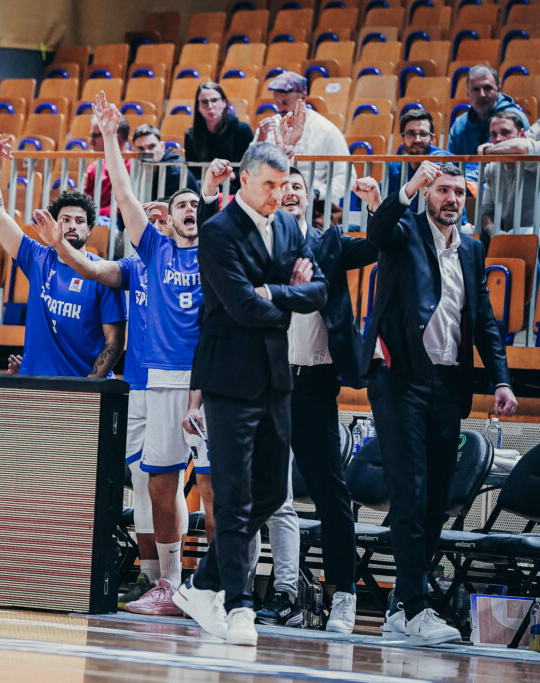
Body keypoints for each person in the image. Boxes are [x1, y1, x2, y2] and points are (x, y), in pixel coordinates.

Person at [174, 142, 328, 646]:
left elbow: (320, 291)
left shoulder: (288, 227)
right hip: (228, 377)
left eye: (284, 185)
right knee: (235, 495)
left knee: (272, 492)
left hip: (276, 376)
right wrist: (288, 299)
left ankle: (202, 584)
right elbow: (240, 306)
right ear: (244, 180)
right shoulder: (219, 231)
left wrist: (274, 293)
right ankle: (239, 604)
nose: (278, 194)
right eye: (269, 184)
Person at [361, 160, 517, 645]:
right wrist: (408, 186)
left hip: (448, 383)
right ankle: (417, 607)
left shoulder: (472, 248)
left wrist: (501, 381)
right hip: (399, 379)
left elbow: (483, 319)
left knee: (435, 501)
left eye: (458, 193)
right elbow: (377, 231)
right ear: (428, 194)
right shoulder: (404, 232)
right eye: (443, 190)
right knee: (409, 494)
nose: (451, 199)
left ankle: (401, 606)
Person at [33, 196, 214, 610]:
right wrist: (60, 245)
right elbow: (93, 268)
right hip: (138, 383)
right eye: (152, 221)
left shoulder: (189, 265)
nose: (155, 226)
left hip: (178, 380)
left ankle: (183, 579)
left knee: (179, 483)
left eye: (160, 221)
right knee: (147, 483)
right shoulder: (134, 267)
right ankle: (152, 576)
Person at [88, 90, 223, 615]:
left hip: (209, 381)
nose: (188, 210)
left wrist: (212, 195)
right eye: (180, 205)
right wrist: (109, 138)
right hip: (162, 379)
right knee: (160, 484)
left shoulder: (220, 249)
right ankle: (169, 583)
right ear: (168, 217)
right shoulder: (155, 249)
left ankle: (220, 588)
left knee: (213, 488)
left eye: (195, 205)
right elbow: (124, 194)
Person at [254, 168, 380, 634]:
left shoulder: (330, 243)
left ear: (308, 199)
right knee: (263, 492)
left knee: (329, 491)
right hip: (266, 382)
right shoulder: (259, 243)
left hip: (313, 383)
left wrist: (376, 205)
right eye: (282, 185)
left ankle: (344, 594)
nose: (290, 191)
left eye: (298, 186)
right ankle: (269, 592)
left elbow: (378, 244)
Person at [0, 136, 126, 377]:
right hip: (37, 383)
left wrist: (89, 386)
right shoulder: (38, 257)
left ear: (89, 229)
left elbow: (114, 342)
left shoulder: (104, 273)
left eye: (79, 221)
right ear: (55, 224)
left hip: (82, 387)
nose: (72, 225)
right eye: (65, 220)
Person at [265, 71, 350, 217]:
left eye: (285, 102)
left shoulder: (327, 130)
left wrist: (317, 193)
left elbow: (346, 175)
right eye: (277, 103)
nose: (280, 109)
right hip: (274, 202)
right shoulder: (269, 127)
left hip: (315, 206)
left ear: (303, 97)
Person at [447, 65, 530, 184]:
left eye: (487, 88)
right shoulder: (459, 124)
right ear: (468, 93)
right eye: (476, 89)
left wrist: (464, 181)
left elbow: (505, 167)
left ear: (498, 90)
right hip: (462, 187)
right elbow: (449, 163)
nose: (482, 94)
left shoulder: (514, 120)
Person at [479, 111, 540, 240]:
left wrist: (487, 150)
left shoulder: (535, 153)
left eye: (505, 132)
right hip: (511, 234)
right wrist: (493, 230)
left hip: (535, 231)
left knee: (522, 233)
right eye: (493, 134)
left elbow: (520, 147)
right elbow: (487, 212)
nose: (498, 139)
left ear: (522, 134)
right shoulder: (493, 168)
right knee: (469, 233)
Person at [184, 82, 254, 193]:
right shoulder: (191, 135)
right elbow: (193, 173)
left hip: (238, 191)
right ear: (198, 107)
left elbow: (252, 167)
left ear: (224, 102)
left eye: (214, 100)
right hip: (204, 191)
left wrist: (233, 176)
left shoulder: (243, 130)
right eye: (204, 102)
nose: (210, 106)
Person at [386, 110, 451, 200]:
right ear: (402, 138)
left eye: (423, 134)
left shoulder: (442, 160)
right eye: (411, 134)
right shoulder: (394, 167)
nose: (417, 140)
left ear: (432, 139)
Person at [84, 111, 131, 220]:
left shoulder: (135, 168)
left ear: (116, 137)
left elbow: (128, 205)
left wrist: (96, 213)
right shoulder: (94, 168)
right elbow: (85, 201)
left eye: (95, 136)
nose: (91, 142)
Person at [132, 123, 198, 201]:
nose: (147, 153)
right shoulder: (135, 167)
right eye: (140, 148)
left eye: (151, 146)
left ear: (162, 146)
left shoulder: (176, 172)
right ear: (133, 150)